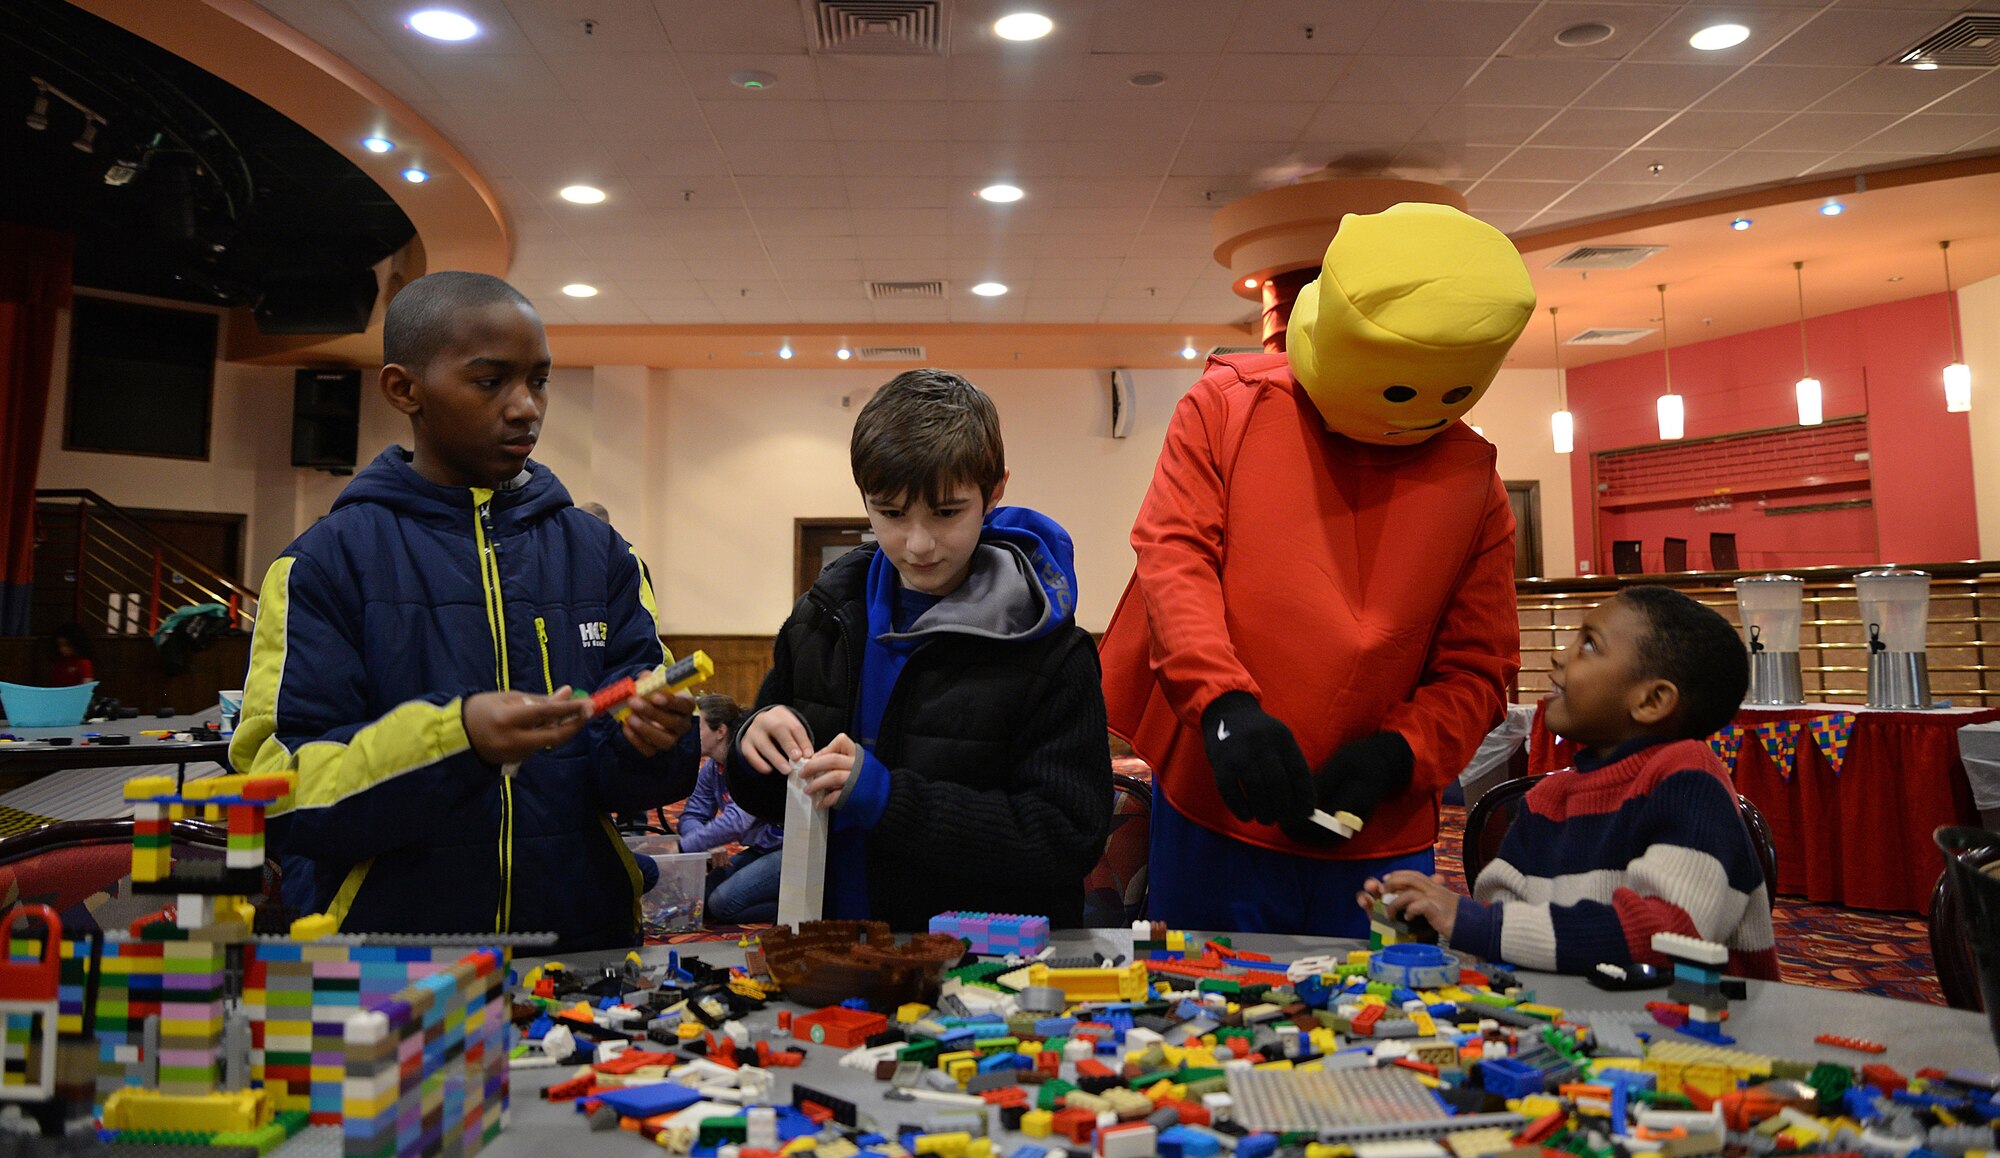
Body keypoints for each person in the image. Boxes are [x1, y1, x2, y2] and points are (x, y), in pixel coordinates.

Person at [231, 270, 700, 950]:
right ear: (404, 389)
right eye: (490, 381)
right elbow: (279, 794)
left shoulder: (601, 555)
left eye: (538, 380)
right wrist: (456, 742)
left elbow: (631, 775)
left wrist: (650, 740)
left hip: (581, 946)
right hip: (389, 964)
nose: (525, 408)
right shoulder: (325, 564)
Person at [1098, 203, 1533, 936]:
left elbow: (1480, 665)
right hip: (1218, 805)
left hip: (1378, 829)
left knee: (1385, 1022)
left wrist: (1400, 753)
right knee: (1204, 1014)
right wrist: (1225, 706)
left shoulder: (1474, 482)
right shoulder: (1227, 409)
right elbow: (1175, 564)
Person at [728, 369, 1112, 929]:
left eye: (946, 512)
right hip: (835, 946)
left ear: (995, 492)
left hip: (987, 972)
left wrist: (887, 799)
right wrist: (751, 743)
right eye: (890, 513)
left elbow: (1066, 837)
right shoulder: (823, 616)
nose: (919, 542)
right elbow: (770, 791)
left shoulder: (1050, 649)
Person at [1364, 586, 1779, 979]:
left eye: (1590, 645)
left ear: (1651, 701)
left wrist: (1469, 919)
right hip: (1589, 1033)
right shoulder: (1546, 799)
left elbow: (1669, 935)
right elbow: (1510, 936)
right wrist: (1430, 927)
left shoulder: (1687, 780)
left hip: (1704, 1041)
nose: (1559, 658)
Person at [676, 693, 783, 924]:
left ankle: (795, 908)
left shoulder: (750, 760)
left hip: (787, 850)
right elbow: (692, 814)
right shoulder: (712, 768)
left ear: (721, 731)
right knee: (701, 899)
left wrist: (683, 846)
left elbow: (738, 820)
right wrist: (706, 842)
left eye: (697, 726)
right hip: (760, 849)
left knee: (721, 904)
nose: (689, 734)